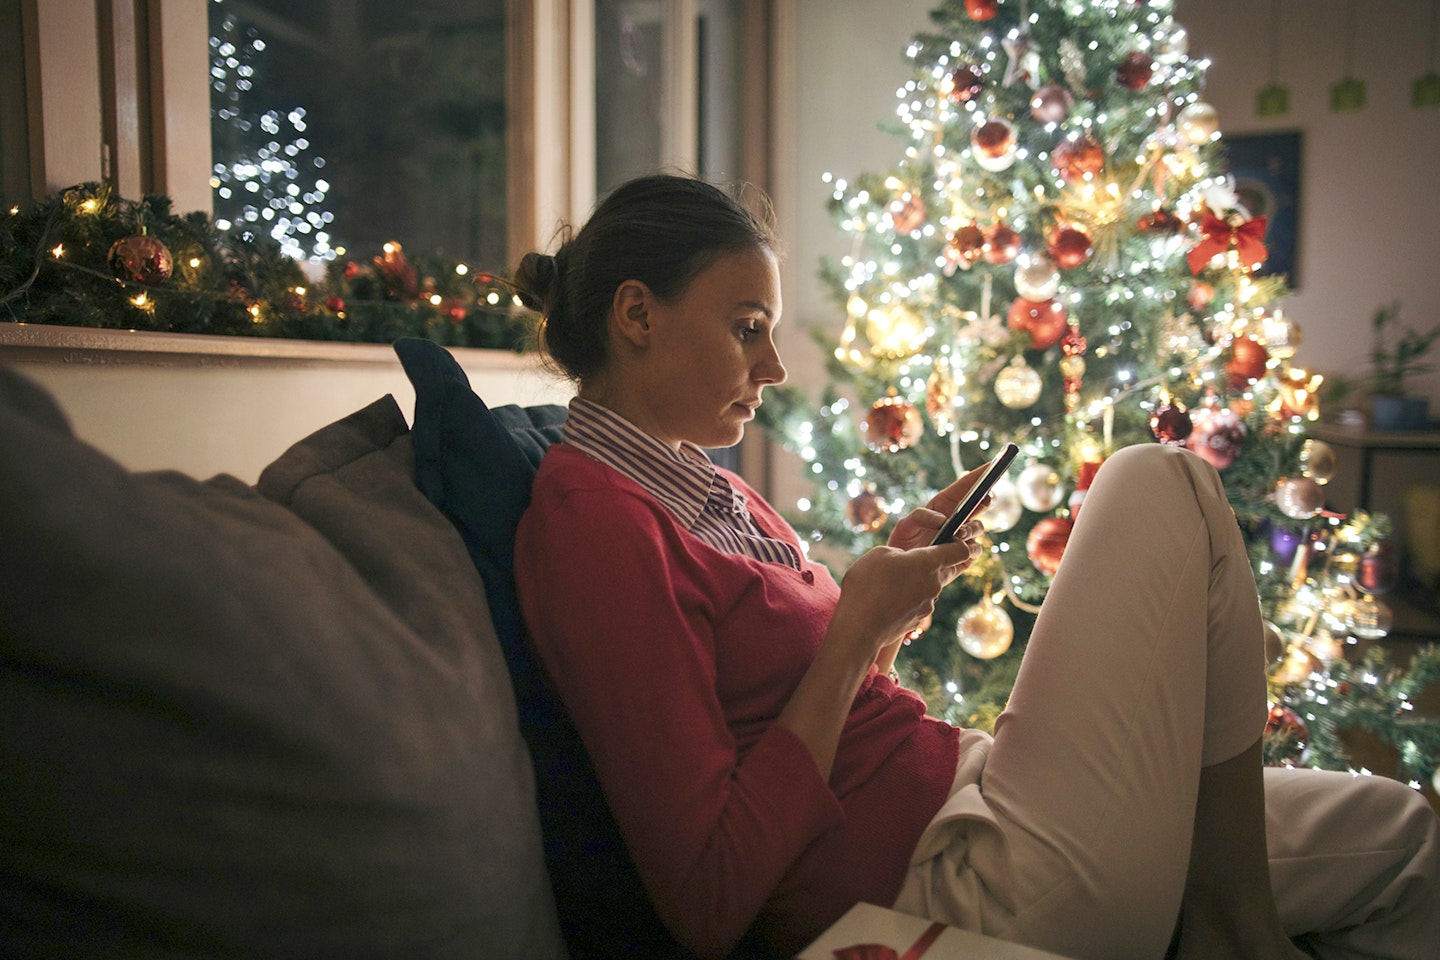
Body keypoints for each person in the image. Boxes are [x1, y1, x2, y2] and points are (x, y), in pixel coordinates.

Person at [511, 174, 1439, 960]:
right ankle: (1228, 927)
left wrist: (884, 622)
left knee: (1408, 841)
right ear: (637, 314)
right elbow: (708, 895)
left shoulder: (691, 479)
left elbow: (800, 716)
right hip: (949, 878)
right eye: (748, 327)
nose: (775, 367)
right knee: (1161, 480)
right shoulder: (595, 526)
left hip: (978, 790)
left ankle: (1219, 909)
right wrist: (851, 638)